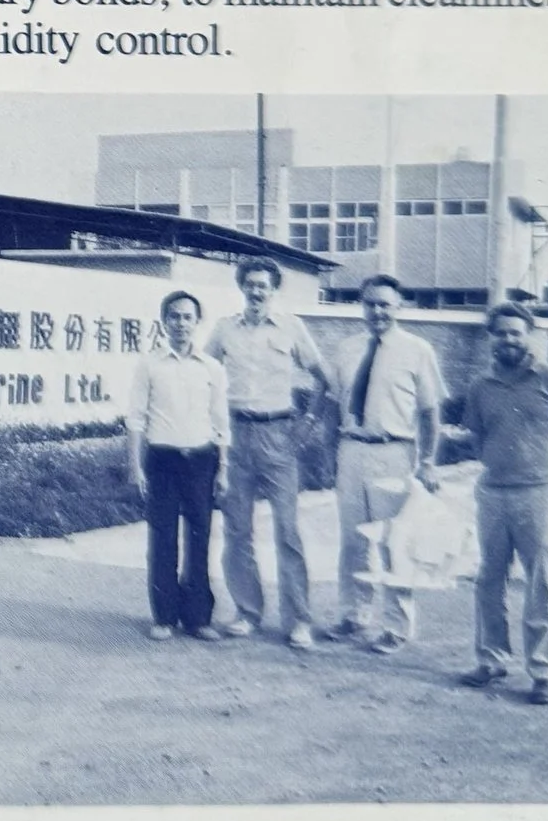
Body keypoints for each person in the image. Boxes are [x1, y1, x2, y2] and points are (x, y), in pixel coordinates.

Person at [458, 303, 548, 703]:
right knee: (489, 579)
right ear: (491, 338)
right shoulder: (480, 386)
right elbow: (476, 436)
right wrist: (495, 465)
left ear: (529, 334)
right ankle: (491, 661)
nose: (509, 339)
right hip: (493, 493)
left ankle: (542, 671)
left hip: (537, 493)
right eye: (501, 333)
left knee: (541, 583)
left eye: (516, 332)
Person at [204, 256, 328, 646]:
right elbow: (203, 375)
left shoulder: (292, 327)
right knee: (237, 530)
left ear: (274, 290)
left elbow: (323, 378)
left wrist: (310, 420)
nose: (257, 290)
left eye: (264, 285)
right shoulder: (225, 330)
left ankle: (299, 620)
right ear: (242, 286)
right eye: (251, 283)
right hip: (236, 435)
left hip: (279, 433)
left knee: (287, 531)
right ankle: (247, 611)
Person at [325, 272, 445, 652]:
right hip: (352, 450)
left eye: (385, 305)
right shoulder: (346, 348)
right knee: (352, 541)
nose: (377, 311)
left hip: (395, 451)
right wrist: (331, 455)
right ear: (361, 306)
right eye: (370, 304)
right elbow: (332, 405)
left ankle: (396, 627)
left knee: (395, 542)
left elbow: (429, 413)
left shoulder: (417, 350)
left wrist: (427, 461)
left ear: (399, 307)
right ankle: (354, 616)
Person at [124, 288, 229, 639]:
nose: (181, 323)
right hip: (163, 461)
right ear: (164, 321)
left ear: (198, 323)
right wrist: (135, 466)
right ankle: (164, 617)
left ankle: (198, 618)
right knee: (163, 538)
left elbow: (221, 423)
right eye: (174, 316)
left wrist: (223, 469)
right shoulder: (149, 364)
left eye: (188, 317)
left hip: (201, 461)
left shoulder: (212, 367)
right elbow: (136, 419)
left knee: (200, 540)